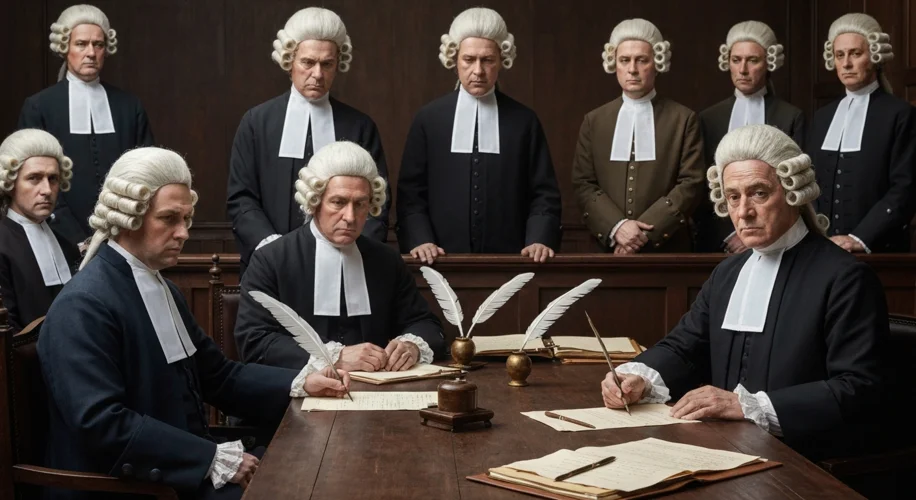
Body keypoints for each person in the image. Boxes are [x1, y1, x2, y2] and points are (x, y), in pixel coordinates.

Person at [38, 147, 350, 500]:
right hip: (129, 485)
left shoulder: (161, 286)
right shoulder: (84, 304)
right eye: (170, 219)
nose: (184, 232)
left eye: (186, 219)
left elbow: (217, 377)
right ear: (129, 216)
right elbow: (102, 424)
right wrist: (210, 458)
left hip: (174, 467)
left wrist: (301, 383)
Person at [601, 125, 888, 460]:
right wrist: (639, 378)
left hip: (806, 459)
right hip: (724, 449)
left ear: (793, 191)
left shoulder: (845, 277)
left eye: (759, 193)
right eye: (733, 196)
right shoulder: (728, 273)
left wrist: (745, 406)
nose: (743, 211)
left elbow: (858, 387)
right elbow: (684, 348)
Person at [235, 141, 444, 372]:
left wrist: (411, 346)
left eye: (360, 204)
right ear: (314, 201)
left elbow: (426, 323)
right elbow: (254, 341)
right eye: (338, 202)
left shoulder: (386, 260)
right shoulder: (271, 260)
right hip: (294, 396)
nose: (350, 217)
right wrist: (334, 357)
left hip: (378, 394)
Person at [227, 7, 390, 271]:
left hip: (346, 263)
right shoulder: (256, 122)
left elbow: (377, 203)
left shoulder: (360, 126)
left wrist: (349, 250)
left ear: (338, 65)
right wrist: (273, 249)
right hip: (271, 262)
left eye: (327, 64)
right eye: (308, 62)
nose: (317, 74)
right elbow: (241, 198)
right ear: (290, 59)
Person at [397, 7, 562, 264]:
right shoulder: (428, 119)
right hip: (438, 259)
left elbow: (543, 192)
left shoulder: (524, 121)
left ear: (502, 60)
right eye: (469, 59)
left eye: (487, 60)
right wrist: (420, 239)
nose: (478, 70)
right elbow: (411, 192)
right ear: (454, 60)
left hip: (512, 259)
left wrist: (539, 238)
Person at [18, 4, 154, 248]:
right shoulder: (39, 106)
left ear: (106, 49)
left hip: (123, 237)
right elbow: (33, 180)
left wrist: (122, 231)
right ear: (65, 47)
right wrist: (75, 237)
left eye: (98, 45)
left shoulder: (129, 106)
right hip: (57, 238)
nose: (91, 52)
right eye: (81, 44)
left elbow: (146, 175)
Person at [572, 18, 704, 253]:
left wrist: (642, 235)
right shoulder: (594, 120)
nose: (632, 69)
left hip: (669, 250)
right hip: (607, 249)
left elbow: (691, 184)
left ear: (657, 63)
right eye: (625, 60)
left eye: (642, 60)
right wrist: (617, 228)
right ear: (615, 64)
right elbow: (584, 184)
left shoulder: (683, 119)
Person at [808, 13, 916, 253]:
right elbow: (808, 184)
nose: (846, 64)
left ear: (875, 57)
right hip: (821, 250)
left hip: (878, 249)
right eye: (839, 55)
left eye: (855, 54)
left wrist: (860, 238)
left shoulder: (900, 114)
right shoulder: (823, 117)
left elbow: (905, 188)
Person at [696, 21, 805, 253]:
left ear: (769, 63)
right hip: (718, 241)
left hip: (776, 236)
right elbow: (702, 187)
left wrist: (756, 233)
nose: (743, 69)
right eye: (736, 60)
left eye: (753, 60)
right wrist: (730, 235)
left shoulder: (790, 116)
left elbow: (793, 185)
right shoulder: (708, 118)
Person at [0, 129, 79, 333]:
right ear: (9, 183)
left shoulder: (67, 245)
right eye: (34, 178)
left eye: (53, 179)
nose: (46, 190)